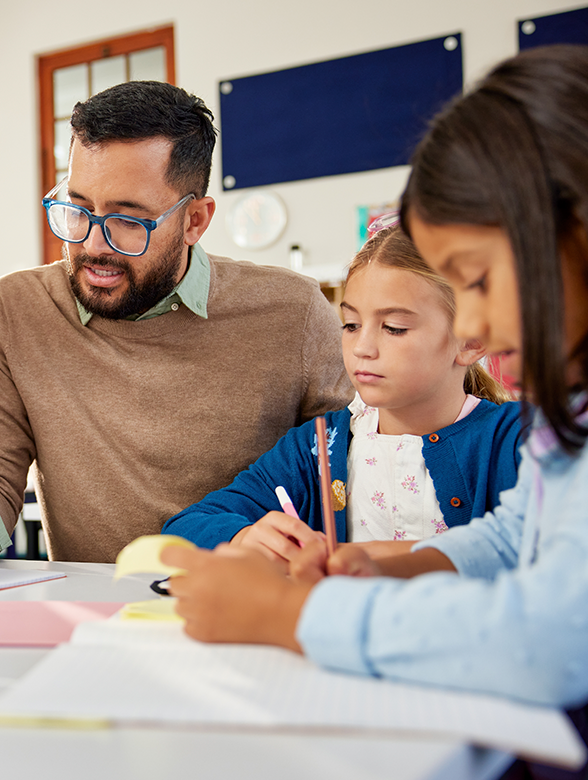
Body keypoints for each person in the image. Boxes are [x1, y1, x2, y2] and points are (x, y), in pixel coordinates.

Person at [165, 46, 588, 721]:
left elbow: (555, 641)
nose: (473, 324)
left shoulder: (516, 427)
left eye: (477, 280)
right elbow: (516, 534)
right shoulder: (330, 443)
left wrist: (292, 614)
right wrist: (382, 565)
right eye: (353, 324)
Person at [0, 80, 353, 576]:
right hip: (94, 619)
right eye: (78, 208)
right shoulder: (15, 311)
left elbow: (357, 474)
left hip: (251, 605)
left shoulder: (294, 314)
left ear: (194, 221)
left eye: (128, 220)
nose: (93, 245)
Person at [162, 224, 523, 563]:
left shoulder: (520, 439)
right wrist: (241, 537)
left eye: (394, 328)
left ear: (472, 341)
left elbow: (547, 551)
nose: (362, 347)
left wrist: (374, 558)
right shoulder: (319, 446)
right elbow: (185, 528)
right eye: (350, 324)